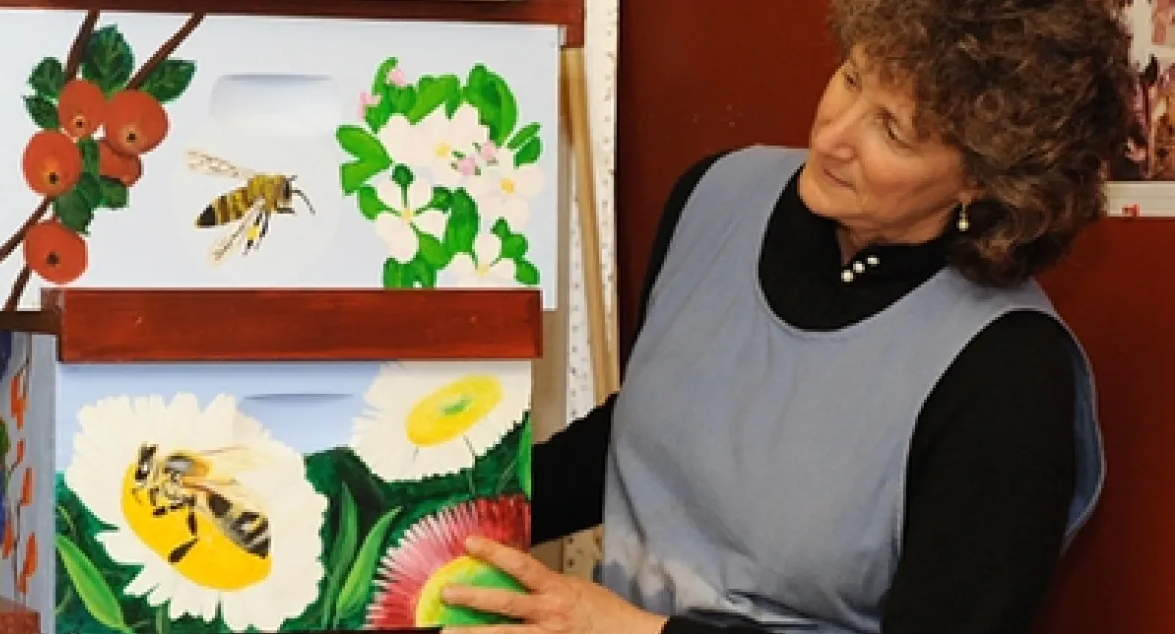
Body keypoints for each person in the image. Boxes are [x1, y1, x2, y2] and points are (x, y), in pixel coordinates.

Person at [437, 0, 1133, 632]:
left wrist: (634, 631)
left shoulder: (1009, 374)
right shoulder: (716, 194)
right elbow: (652, 436)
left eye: (893, 130)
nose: (833, 137)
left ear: (984, 178)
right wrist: (427, 511)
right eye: (852, 79)